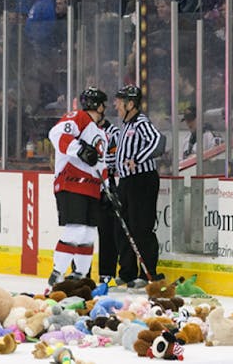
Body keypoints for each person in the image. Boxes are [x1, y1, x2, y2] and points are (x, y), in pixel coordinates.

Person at [46, 87, 110, 285]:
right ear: (98, 106)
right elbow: (56, 133)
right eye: (103, 105)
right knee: (76, 229)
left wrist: (107, 188)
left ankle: (80, 277)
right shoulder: (79, 117)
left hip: (91, 187)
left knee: (89, 233)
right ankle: (56, 274)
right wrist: (80, 149)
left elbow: (101, 163)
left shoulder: (101, 133)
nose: (105, 109)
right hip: (71, 183)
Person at [113, 85, 164, 288]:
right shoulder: (125, 125)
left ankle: (147, 273)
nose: (115, 104)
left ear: (131, 104)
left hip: (142, 181)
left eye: (120, 100)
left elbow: (158, 141)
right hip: (125, 182)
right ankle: (127, 272)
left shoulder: (141, 122)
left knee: (140, 227)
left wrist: (138, 158)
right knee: (122, 227)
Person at [96, 115, 121, 284]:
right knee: (83, 232)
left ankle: (106, 272)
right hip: (87, 186)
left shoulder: (114, 133)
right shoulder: (84, 132)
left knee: (107, 232)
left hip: (106, 186)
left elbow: (114, 161)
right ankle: (81, 272)